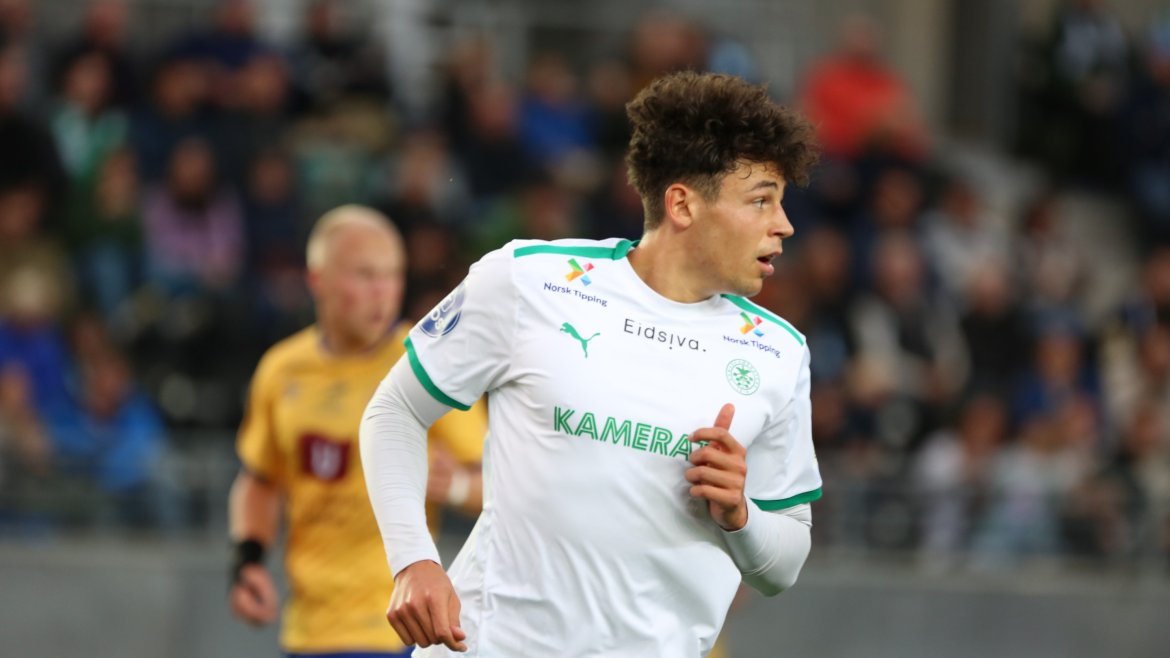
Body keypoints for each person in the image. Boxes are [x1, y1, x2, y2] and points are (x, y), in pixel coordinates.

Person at [361, 71, 822, 657]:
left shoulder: (778, 353)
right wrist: (413, 560)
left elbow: (783, 565)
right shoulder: (530, 281)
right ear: (683, 204)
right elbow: (395, 411)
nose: (784, 224)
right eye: (760, 200)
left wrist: (740, 515)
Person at [228, 205, 486, 658]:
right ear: (317, 280)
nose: (383, 292)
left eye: (393, 274)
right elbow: (260, 478)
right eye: (365, 275)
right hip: (308, 631)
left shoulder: (427, 363)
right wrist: (248, 559)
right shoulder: (282, 370)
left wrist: (458, 486)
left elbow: (505, 484)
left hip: (396, 628)